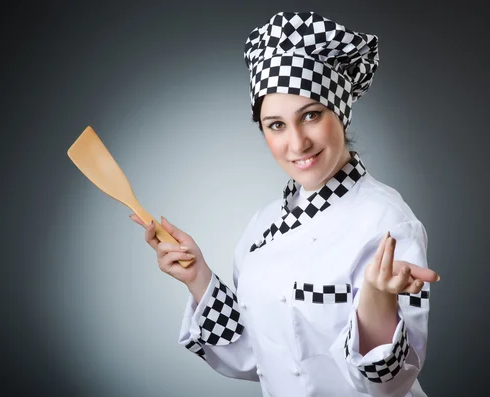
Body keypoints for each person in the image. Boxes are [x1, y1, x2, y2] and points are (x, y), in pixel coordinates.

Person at [130, 11, 440, 397]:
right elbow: (254, 356)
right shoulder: (263, 227)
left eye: (310, 115)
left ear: (339, 113)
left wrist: (377, 301)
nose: (297, 143)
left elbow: (391, 383)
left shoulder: (387, 222)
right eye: (276, 125)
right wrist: (198, 276)